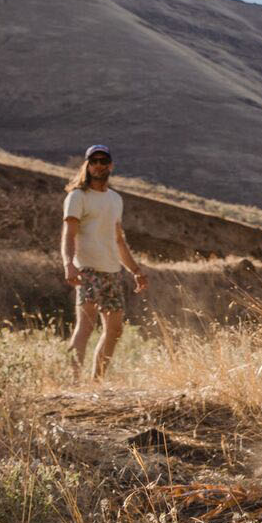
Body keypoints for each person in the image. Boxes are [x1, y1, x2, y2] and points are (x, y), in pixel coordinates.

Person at [62, 144, 148, 379]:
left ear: (111, 165)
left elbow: (119, 239)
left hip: (112, 271)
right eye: (94, 161)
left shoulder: (115, 199)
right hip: (87, 268)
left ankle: (96, 381)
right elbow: (68, 234)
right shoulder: (77, 196)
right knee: (86, 326)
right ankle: (72, 382)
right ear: (87, 165)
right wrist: (69, 263)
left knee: (115, 329)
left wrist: (135, 270)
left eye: (103, 160)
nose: (99, 165)